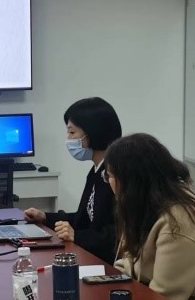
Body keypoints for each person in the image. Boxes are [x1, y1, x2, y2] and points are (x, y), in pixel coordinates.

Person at [102, 133, 195, 300]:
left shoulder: (179, 223)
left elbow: (165, 299)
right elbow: (127, 263)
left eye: (109, 175)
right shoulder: (141, 208)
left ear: (130, 181)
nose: (108, 181)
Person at [22, 97, 121, 264]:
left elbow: (119, 234)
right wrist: (45, 217)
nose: (68, 139)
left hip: (108, 263)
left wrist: (78, 236)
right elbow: (84, 218)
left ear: (93, 132)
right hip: (92, 257)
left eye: (72, 132)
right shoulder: (96, 170)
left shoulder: (115, 175)